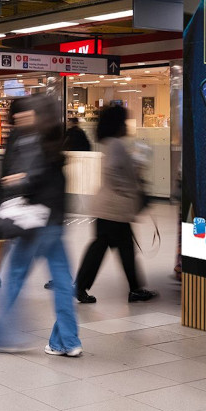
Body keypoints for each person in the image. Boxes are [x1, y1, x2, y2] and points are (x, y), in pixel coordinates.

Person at [0, 94, 81, 357]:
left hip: (35, 225)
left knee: (15, 277)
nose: (23, 116)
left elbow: (31, 177)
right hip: (55, 223)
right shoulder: (57, 142)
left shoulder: (34, 140)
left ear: (37, 115)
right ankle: (67, 341)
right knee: (64, 283)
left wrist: (17, 180)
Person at [74, 105, 158, 304]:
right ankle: (83, 286)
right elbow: (114, 171)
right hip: (113, 209)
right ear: (118, 124)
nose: (126, 125)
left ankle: (133, 288)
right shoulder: (116, 145)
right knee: (110, 249)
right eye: (124, 121)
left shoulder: (111, 143)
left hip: (108, 208)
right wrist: (128, 189)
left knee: (116, 248)